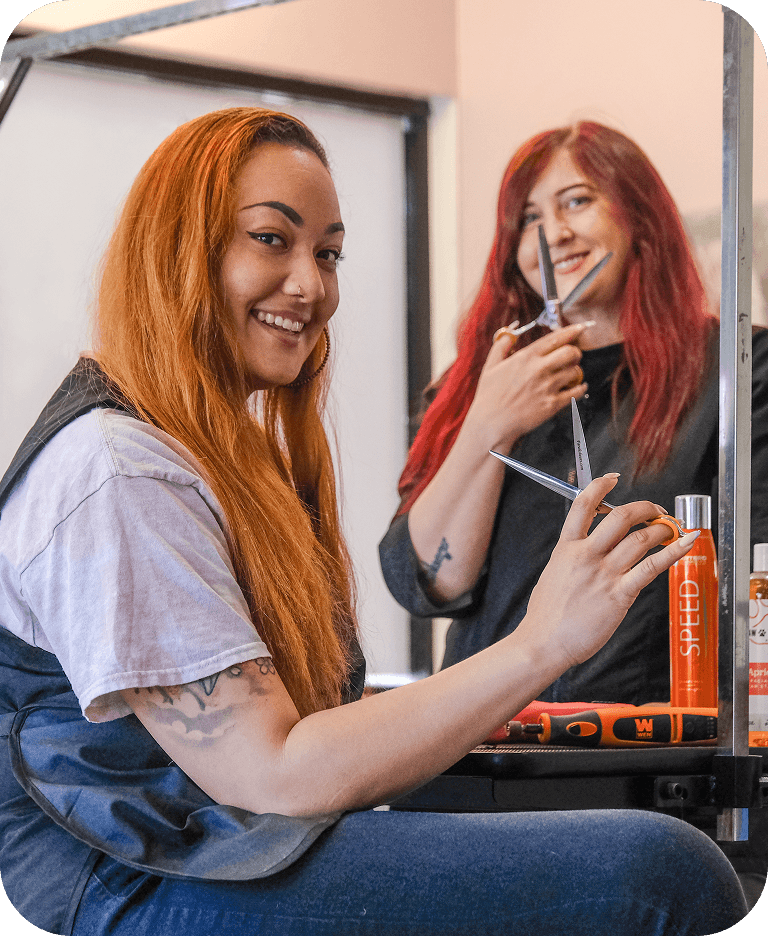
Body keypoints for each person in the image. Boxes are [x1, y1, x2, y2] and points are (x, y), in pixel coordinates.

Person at [0, 108, 747, 935]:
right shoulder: (121, 468)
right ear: (178, 247)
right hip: (119, 875)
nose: (313, 286)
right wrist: (542, 638)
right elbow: (290, 753)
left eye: (327, 254)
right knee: (662, 875)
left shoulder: (723, 379)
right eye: (271, 240)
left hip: (213, 837)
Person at [380, 120, 768, 705]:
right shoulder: (471, 389)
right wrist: (487, 424)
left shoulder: (737, 367)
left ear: (638, 216)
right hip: (483, 741)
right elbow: (428, 583)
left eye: (577, 202)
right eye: (529, 219)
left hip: (643, 749)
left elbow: (753, 575)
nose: (553, 234)